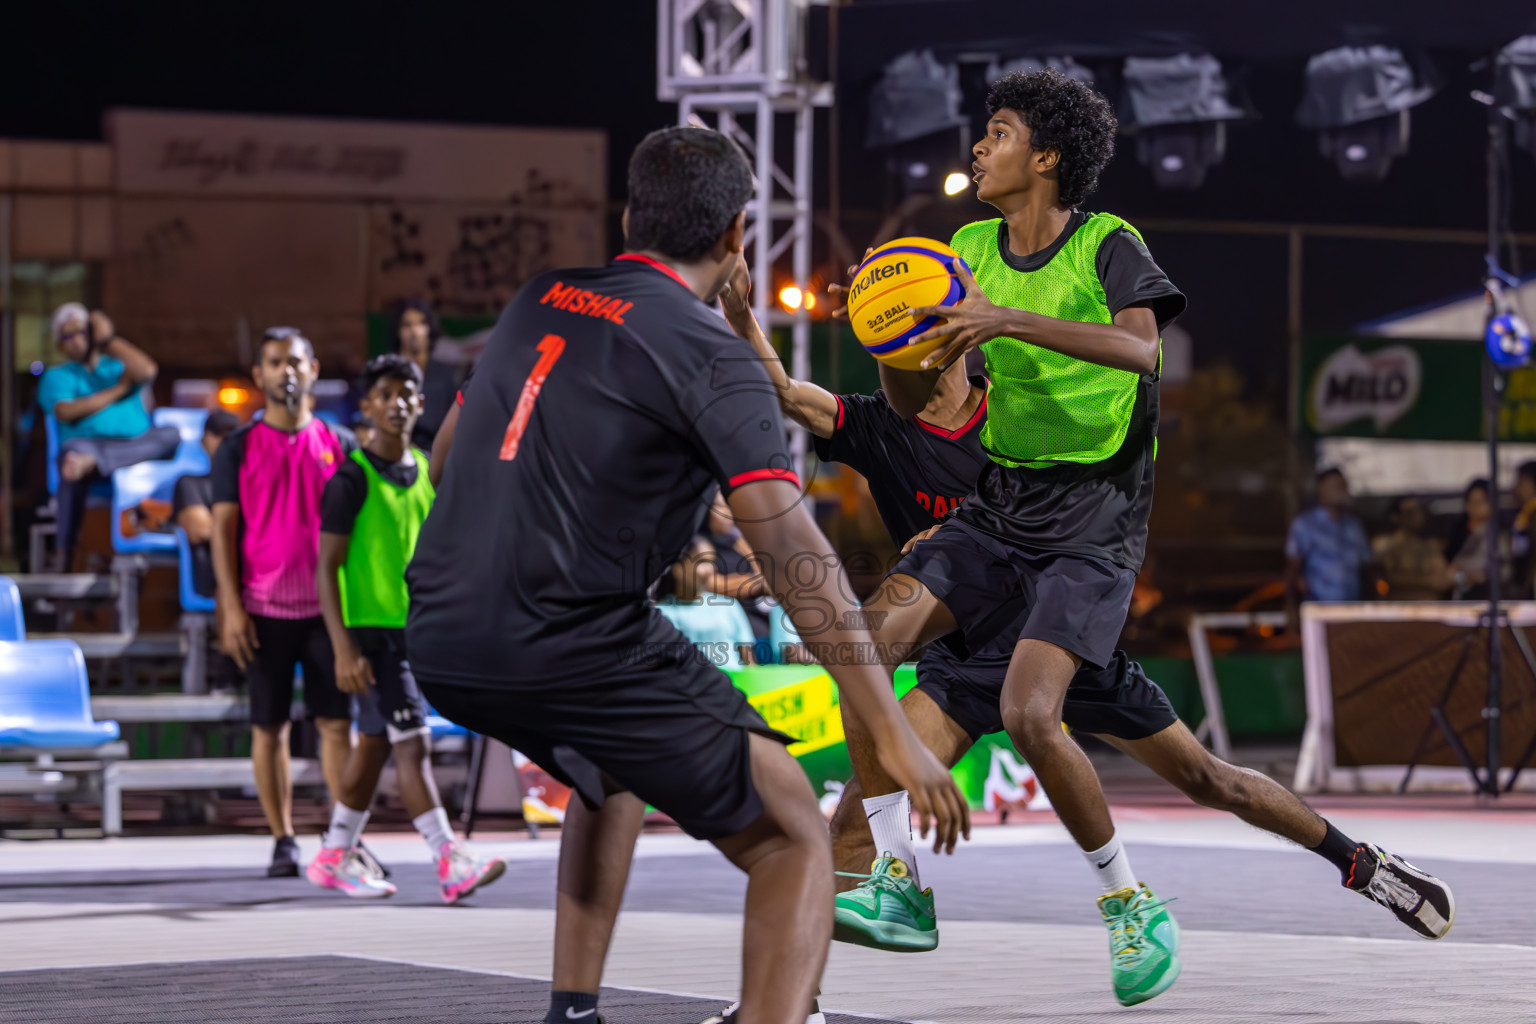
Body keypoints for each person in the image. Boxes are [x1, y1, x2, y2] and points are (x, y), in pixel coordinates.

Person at [818, 69, 1451, 1007]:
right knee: (862, 651)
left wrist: (1004, 318)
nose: (979, 149)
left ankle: (1173, 897)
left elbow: (1139, 348)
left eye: (997, 133)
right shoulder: (964, 249)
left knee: (1165, 762)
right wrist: (897, 342)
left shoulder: (1106, 245)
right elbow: (919, 398)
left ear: (1047, 156)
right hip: (1000, 524)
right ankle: (897, 893)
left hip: (1092, 533)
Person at [407, 126, 967, 1024]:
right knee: (793, 835)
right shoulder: (717, 358)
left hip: (437, 628)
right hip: (570, 637)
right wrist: (891, 732)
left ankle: (573, 1011)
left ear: (630, 215)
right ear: (738, 234)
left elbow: (444, 456)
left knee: (611, 765)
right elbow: (794, 557)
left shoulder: (538, 299)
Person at [310, 354, 506, 902]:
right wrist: (343, 646)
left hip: (414, 632)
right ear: (366, 407)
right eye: (385, 395)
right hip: (369, 637)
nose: (397, 403)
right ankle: (449, 858)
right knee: (412, 742)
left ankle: (332, 855)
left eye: (407, 394)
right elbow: (326, 568)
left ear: (421, 403)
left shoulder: (424, 471)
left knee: (375, 746)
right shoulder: (350, 480)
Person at [211, 327, 357, 878]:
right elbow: (223, 532)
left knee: (336, 727)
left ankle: (341, 842)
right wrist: (229, 607)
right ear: (259, 376)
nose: (285, 371)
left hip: (327, 612)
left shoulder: (340, 444)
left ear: (313, 369)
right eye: (274, 363)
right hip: (261, 609)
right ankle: (283, 839)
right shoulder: (238, 447)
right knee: (268, 728)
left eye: (294, 361)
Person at [38, 304, 181, 570]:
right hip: (84, 446)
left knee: (172, 434)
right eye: (68, 336)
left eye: (81, 331)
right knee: (71, 459)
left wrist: (108, 340)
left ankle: (96, 460)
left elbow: (148, 371)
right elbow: (66, 411)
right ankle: (64, 554)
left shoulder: (116, 367)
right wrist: (119, 391)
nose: (77, 340)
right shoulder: (58, 376)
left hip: (133, 446)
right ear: (60, 344)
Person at [1285, 468, 1375, 623]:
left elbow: (1366, 568)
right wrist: (1291, 609)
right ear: (1320, 490)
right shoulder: (1306, 524)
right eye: (1334, 486)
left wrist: (1374, 604)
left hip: (1353, 611)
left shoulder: (1353, 525)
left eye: (1342, 485)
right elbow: (1293, 570)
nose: (1340, 490)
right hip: (1319, 612)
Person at [172, 410, 243, 599]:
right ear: (203, 440)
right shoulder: (189, 483)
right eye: (217, 435)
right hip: (215, 581)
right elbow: (201, 530)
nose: (224, 441)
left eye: (231, 435)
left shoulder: (254, 485)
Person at [393, 299, 460, 451]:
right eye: (407, 325)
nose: (414, 331)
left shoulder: (446, 375)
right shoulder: (387, 374)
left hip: (433, 455)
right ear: (398, 331)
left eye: (421, 323)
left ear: (429, 328)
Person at [1372, 496, 1450, 601]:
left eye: (1419, 512)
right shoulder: (1386, 545)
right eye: (1410, 513)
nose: (1417, 517)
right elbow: (1386, 577)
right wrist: (1426, 581)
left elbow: (1443, 578)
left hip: (1429, 608)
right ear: (1396, 517)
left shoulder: (1429, 547)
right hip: (1399, 607)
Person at [1445, 478, 1509, 600]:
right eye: (1470, 502)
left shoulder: (1498, 535)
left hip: (1489, 598)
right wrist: (1460, 577)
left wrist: (1467, 577)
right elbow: (1450, 570)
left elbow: (1500, 572)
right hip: (1461, 599)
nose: (1474, 507)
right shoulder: (1461, 532)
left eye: (1479, 502)